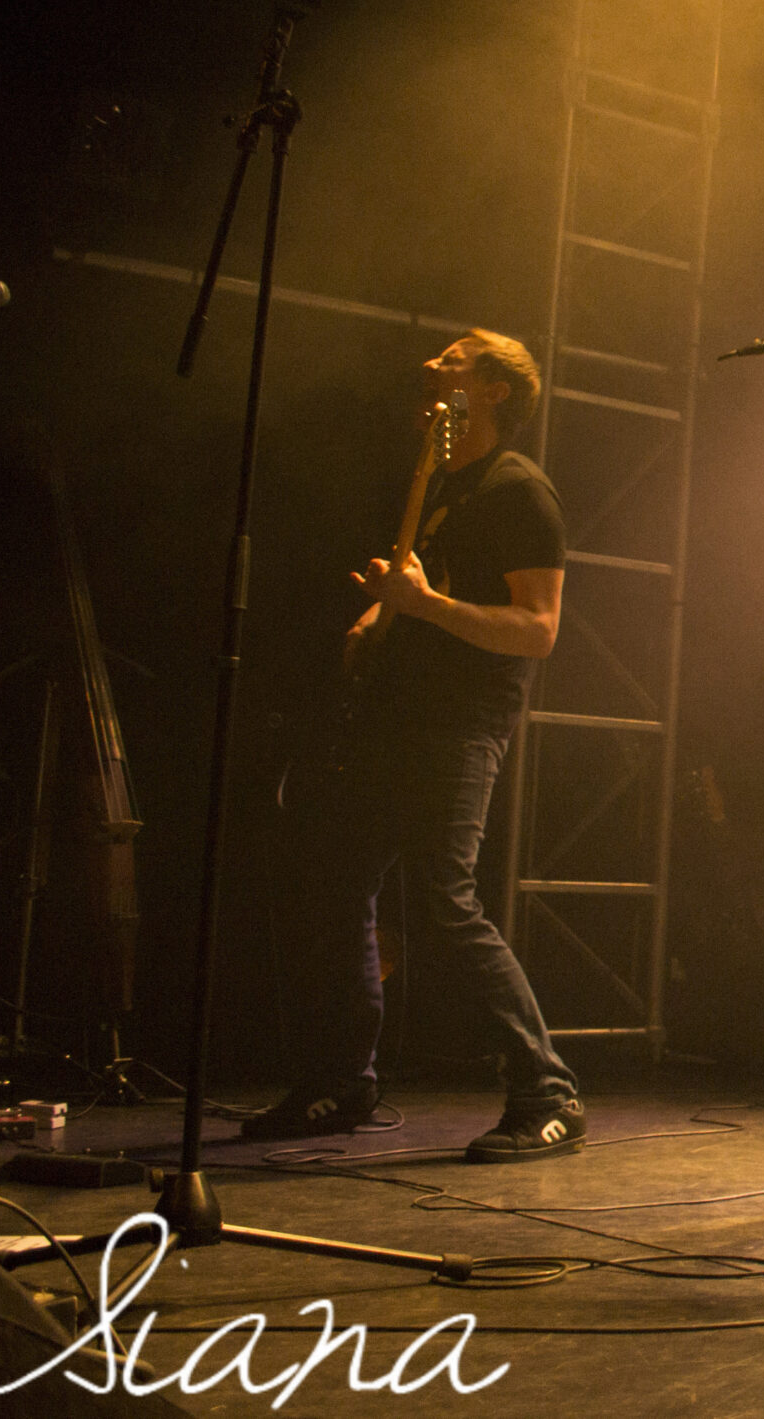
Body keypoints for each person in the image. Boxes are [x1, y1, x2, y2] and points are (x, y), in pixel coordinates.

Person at [246, 329, 585, 1163]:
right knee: (331, 884)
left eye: (457, 357)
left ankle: (548, 1090)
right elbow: (418, 597)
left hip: (458, 725)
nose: (434, 364)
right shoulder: (437, 484)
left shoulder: (518, 490)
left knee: (443, 903)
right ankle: (343, 1077)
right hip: (392, 719)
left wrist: (426, 606)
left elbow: (538, 631)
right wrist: (381, 615)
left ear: (497, 389)